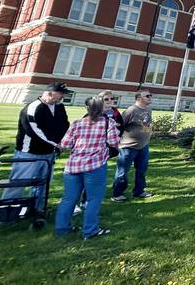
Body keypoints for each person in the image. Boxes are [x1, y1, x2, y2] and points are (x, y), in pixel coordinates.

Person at [55, 96, 120, 239]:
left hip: (73, 166)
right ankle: (90, 230)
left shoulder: (77, 123)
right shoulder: (108, 124)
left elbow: (65, 145)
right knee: (94, 199)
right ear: (102, 108)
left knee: (68, 198)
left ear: (87, 108)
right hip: (95, 166)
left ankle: (62, 228)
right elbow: (114, 143)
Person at [2, 82, 71, 212]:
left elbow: (64, 125)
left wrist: (63, 141)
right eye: (60, 94)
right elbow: (34, 131)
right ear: (50, 93)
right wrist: (55, 144)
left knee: (43, 183)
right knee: (18, 183)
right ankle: (6, 211)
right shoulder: (33, 107)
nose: (62, 96)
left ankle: (37, 207)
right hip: (29, 153)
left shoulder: (59, 107)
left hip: (49, 153)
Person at [75, 90, 124, 216]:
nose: (109, 102)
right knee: (82, 179)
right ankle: (76, 204)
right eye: (106, 99)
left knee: (92, 180)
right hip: (86, 154)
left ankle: (85, 201)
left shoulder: (114, 114)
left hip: (103, 152)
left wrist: (112, 148)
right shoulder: (89, 117)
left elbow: (120, 129)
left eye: (111, 99)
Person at [111, 91, 153, 202]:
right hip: (128, 146)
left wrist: (146, 135)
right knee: (123, 171)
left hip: (143, 146)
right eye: (147, 96)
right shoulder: (131, 110)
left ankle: (139, 191)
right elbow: (120, 125)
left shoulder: (148, 109)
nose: (150, 97)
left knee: (141, 170)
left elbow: (146, 125)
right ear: (139, 98)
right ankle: (118, 194)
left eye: (150, 95)